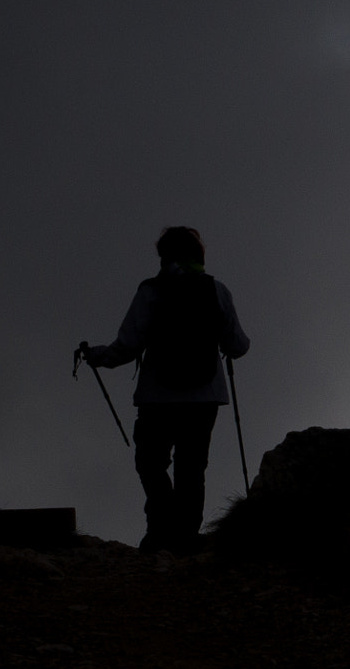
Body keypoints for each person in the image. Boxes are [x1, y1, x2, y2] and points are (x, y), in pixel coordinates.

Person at [76, 226, 250, 554]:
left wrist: (96, 356)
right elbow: (237, 346)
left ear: (164, 255)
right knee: (192, 467)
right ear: (198, 254)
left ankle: (159, 530)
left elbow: (127, 346)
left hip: (157, 397)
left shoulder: (152, 291)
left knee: (151, 463)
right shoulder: (216, 290)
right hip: (204, 397)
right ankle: (185, 536)